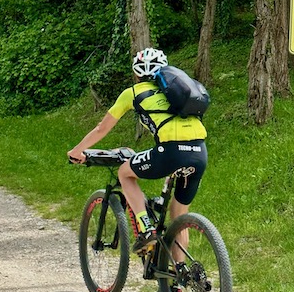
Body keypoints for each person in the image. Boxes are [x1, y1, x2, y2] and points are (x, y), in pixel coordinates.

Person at [67, 47, 207, 262]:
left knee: (125, 173)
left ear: (137, 72)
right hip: (199, 152)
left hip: (170, 151)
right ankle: (179, 276)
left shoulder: (132, 93)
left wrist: (77, 151)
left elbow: (101, 129)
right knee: (179, 215)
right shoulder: (177, 93)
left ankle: (146, 229)